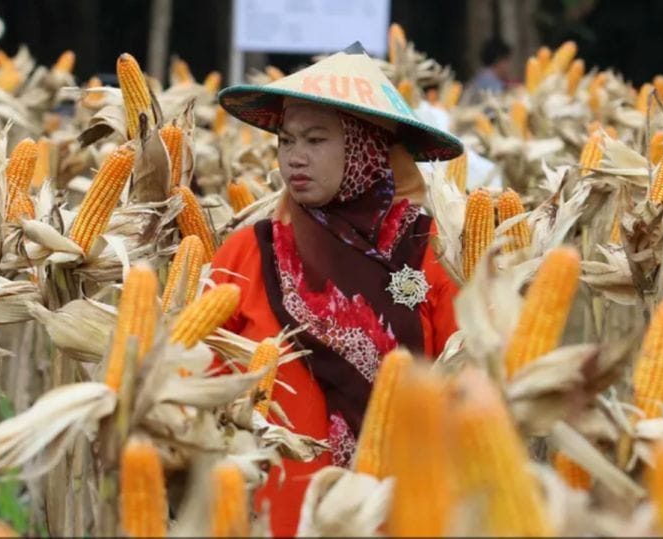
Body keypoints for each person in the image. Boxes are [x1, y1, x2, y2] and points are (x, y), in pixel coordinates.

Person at [214, 42, 461, 536]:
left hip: (401, 511)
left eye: (315, 139)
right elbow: (199, 377)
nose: (295, 158)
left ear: (366, 147)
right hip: (276, 516)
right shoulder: (251, 251)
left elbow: (466, 377)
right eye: (286, 140)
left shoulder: (431, 249)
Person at [466, 37, 513, 104]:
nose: (509, 65)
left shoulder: (482, 75)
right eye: (507, 60)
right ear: (498, 60)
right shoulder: (490, 81)